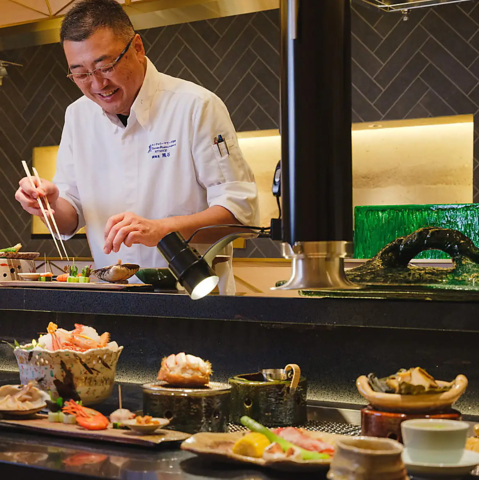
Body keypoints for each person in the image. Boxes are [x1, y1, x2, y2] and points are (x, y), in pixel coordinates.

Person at [15, 0, 259, 295]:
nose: (97, 84)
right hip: (112, 299)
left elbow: (240, 217)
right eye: (80, 74)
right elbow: (68, 220)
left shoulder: (196, 106)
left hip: (194, 298)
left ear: (138, 48)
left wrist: (161, 230)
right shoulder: (78, 116)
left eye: (105, 67)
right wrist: (49, 204)